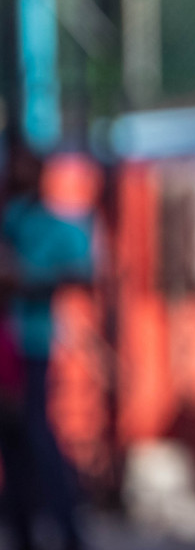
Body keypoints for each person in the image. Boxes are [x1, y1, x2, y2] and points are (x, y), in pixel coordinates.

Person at [0, 140, 92, 550]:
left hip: (31, 345)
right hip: (8, 346)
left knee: (36, 435)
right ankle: (23, 533)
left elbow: (82, 274)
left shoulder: (58, 226)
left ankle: (67, 528)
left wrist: (28, 281)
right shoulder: (10, 220)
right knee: (13, 440)